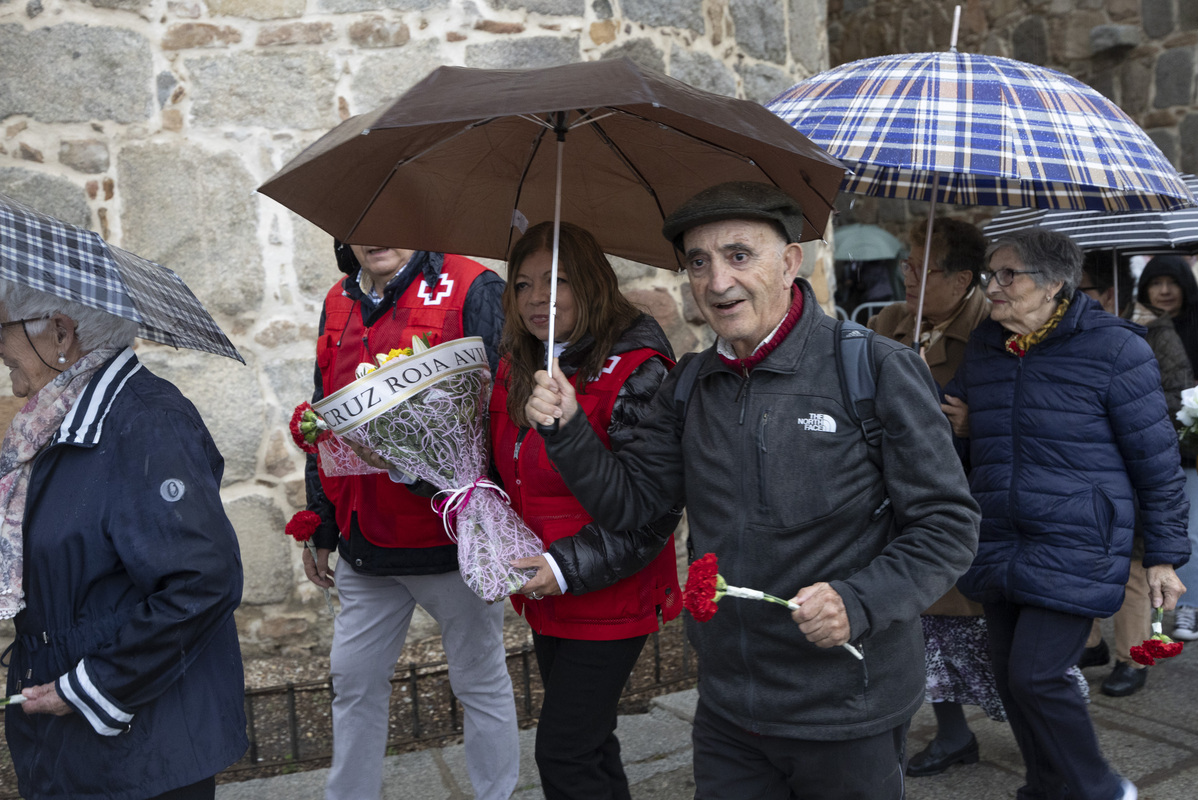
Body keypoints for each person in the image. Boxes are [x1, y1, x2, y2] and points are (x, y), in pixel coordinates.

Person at [524, 182, 981, 799]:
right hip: (729, 710)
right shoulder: (689, 384)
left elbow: (948, 526)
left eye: (739, 255)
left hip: (847, 708)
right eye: (698, 262)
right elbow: (632, 507)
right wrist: (569, 429)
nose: (717, 282)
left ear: (791, 263)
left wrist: (860, 599)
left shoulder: (873, 368)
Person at [943, 229, 1190, 800]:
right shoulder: (985, 344)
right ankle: (1046, 785)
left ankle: (1102, 788)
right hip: (1001, 531)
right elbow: (959, 435)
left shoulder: (1116, 348)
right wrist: (950, 422)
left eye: (1009, 275)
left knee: (1038, 675)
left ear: (1055, 284)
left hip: (1079, 535)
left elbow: (1156, 461)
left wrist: (1163, 557)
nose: (994, 287)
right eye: (991, 274)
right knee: (1011, 681)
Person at [0, 282, 247, 799]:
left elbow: (202, 579)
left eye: (2, 328)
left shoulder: (145, 422)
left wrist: (91, 686)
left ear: (60, 333)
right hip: (76, 742)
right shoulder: (54, 421)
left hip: (142, 750)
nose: (0, 350)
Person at [302, 242, 518, 800]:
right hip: (363, 541)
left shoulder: (474, 286)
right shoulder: (336, 300)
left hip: (446, 535)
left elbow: (503, 410)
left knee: (478, 681)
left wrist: (486, 518)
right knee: (352, 683)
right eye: (360, 225)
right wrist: (320, 522)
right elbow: (321, 410)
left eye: (391, 220)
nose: (376, 234)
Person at [492, 221, 682, 799]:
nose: (536, 299)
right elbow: (493, 475)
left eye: (557, 281)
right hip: (548, 591)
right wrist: (411, 460)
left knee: (564, 752)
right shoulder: (519, 369)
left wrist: (566, 566)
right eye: (523, 285)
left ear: (593, 284)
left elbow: (652, 510)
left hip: (607, 592)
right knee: (592, 746)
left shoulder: (639, 368)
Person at [869, 217, 998, 777]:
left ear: (964, 278)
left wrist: (976, 425)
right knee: (925, 624)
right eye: (907, 265)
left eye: (926, 269)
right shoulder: (887, 324)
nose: (912, 279)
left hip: (968, 502)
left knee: (995, 637)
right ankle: (951, 733)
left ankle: (1050, 733)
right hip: (898, 501)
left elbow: (1028, 413)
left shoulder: (992, 332)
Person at [1078, 252, 1194, 697]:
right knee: (1084, 554)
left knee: (1133, 565)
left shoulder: (1152, 333)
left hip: (1135, 464)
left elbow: (1180, 397)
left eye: (1083, 289)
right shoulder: (1072, 335)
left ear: (1108, 292)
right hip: (1088, 467)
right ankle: (1089, 644)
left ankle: (1133, 656)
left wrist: (1122, 408)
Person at [1136, 255, 1198, 643]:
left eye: (1170, 282)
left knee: (1193, 528)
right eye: (1154, 283)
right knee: (1186, 528)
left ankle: (1190, 605)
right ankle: (1189, 605)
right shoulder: (1134, 323)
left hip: (1190, 438)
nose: (1162, 291)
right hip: (1159, 442)